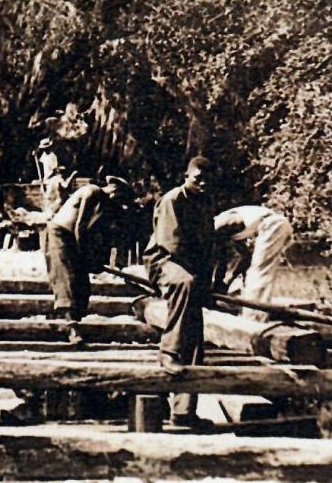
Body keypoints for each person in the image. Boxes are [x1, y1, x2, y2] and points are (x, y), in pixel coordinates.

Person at [143, 156, 225, 426]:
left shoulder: (206, 204)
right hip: (165, 262)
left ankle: (183, 412)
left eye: (207, 179)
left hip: (190, 269)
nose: (202, 183)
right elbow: (172, 245)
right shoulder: (172, 200)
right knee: (184, 284)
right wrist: (196, 279)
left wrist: (210, 283)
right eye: (197, 177)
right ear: (186, 175)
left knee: (193, 331)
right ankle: (168, 352)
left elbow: (210, 247)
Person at [44, 176, 133, 344]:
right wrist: (84, 255)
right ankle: (72, 328)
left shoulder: (105, 205)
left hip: (74, 238)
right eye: (120, 198)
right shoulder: (93, 192)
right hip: (60, 234)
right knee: (67, 277)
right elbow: (80, 226)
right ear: (114, 190)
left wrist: (94, 259)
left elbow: (95, 234)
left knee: (82, 282)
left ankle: (75, 321)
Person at [213, 205, 293, 320]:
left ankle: (253, 318)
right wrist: (226, 282)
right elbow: (245, 258)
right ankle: (255, 311)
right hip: (276, 225)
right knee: (257, 271)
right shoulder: (233, 234)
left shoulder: (219, 223)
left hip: (272, 224)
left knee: (258, 272)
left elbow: (220, 259)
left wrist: (219, 283)